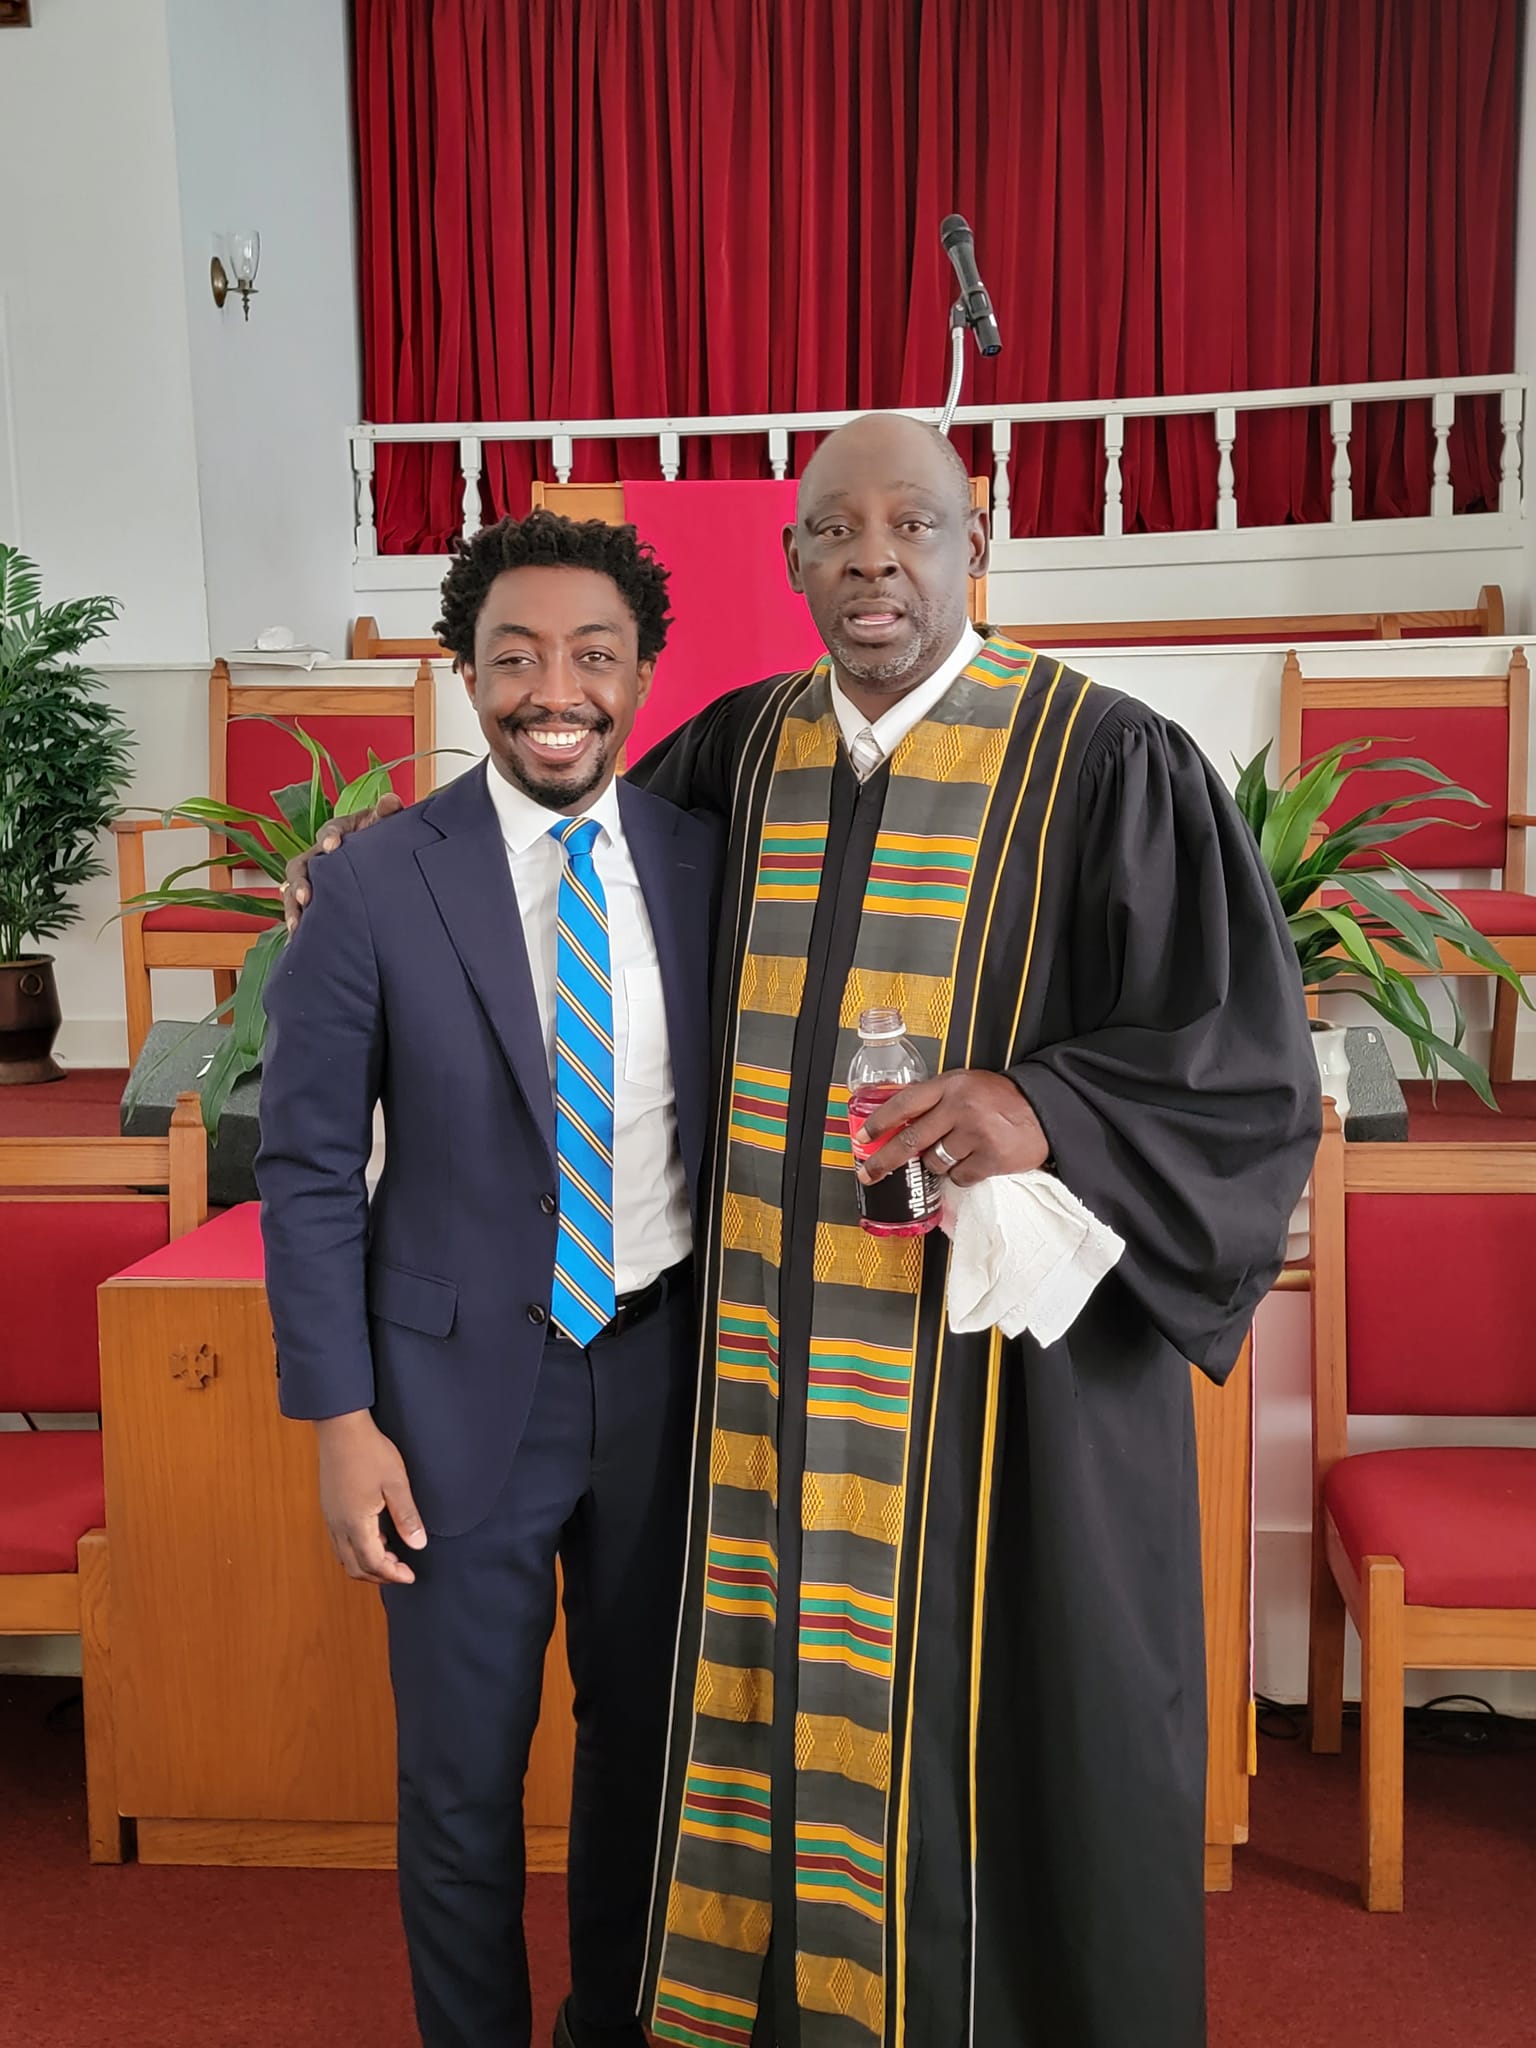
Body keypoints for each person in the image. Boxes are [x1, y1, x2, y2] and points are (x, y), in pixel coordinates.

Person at [287, 413, 1319, 2048]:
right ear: (791, 564)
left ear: (980, 547)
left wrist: (1041, 1105)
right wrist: (374, 863)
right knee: (725, 1742)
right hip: (761, 1390)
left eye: (913, 526)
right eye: (835, 531)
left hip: (992, 1421)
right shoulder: (744, 753)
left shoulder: (1101, 762)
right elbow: (549, 827)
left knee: (998, 1739)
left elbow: (1246, 1072)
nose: (873, 561)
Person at [257, 510, 718, 2048]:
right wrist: (340, 1421)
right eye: (514, 656)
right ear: (465, 675)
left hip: (665, 1378)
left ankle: (614, 2026)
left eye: (592, 654)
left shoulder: (708, 865)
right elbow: (309, 1166)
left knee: (640, 1759)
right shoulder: (377, 884)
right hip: (451, 1410)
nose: (553, 688)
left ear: (642, 673)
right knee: (459, 1779)